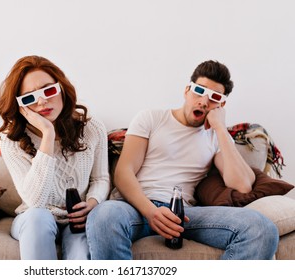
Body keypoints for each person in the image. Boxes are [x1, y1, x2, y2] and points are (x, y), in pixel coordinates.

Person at [86, 60, 279, 260]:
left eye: (214, 98)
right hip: (135, 208)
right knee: (103, 215)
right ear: (187, 91)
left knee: (262, 229)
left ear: (221, 105)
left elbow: (242, 185)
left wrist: (221, 128)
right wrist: (151, 212)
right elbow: (123, 172)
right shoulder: (151, 118)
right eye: (199, 90)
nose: (203, 101)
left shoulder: (216, 137)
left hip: (184, 213)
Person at [0, 55, 110, 260]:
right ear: (20, 106)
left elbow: (100, 178)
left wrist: (92, 202)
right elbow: (35, 201)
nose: (42, 101)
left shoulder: (91, 129)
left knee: (80, 255)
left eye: (49, 90)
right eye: (29, 98)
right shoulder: (11, 141)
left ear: (62, 88)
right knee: (38, 217)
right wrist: (48, 134)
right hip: (33, 220)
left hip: (77, 220)